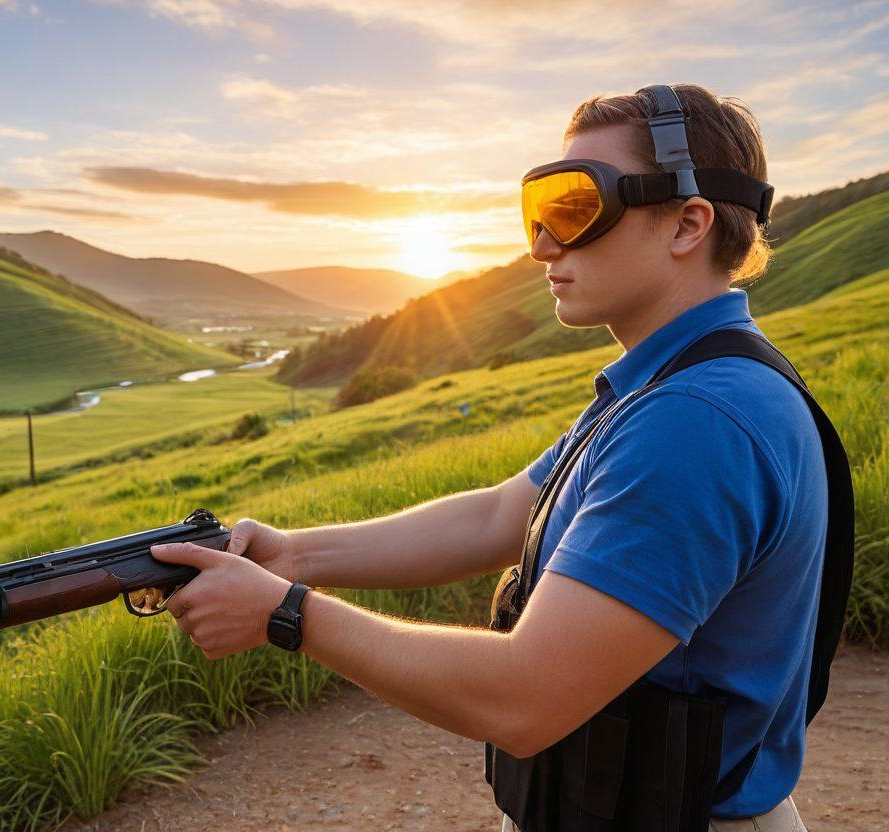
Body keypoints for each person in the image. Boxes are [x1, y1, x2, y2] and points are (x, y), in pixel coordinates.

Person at [150, 83, 834, 831]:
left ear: (687, 223)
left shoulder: (696, 422)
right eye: (536, 212)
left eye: (575, 207)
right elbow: (504, 514)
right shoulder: (678, 383)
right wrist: (294, 556)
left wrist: (285, 615)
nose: (541, 244)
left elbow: (524, 696)